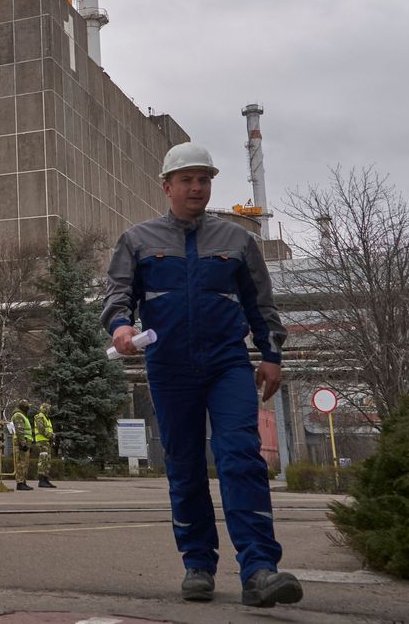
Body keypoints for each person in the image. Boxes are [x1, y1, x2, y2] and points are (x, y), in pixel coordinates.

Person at [101, 141, 303, 609]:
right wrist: (121, 328)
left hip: (227, 364)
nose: (196, 187)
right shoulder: (138, 240)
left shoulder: (237, 241)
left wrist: (270, 354)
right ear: (167, 186)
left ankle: (259, 569)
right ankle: (198, 563)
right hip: (169, 368)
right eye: (187, 180)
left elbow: (261, 305)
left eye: (204, 179)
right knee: (185, 465)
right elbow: (116, 297)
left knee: (240, 457)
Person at [10, 399, 35, 491]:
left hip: (25, 441)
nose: (29, 409)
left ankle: (23, 481)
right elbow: (20, 431)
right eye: (27, 407)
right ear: (24, 407)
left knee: (25, 463)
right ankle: (20, 482)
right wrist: (23, 444)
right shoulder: (18, 415)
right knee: (21, 463)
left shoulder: (22, 415)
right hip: (21, 441)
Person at [32, 403, 57, 488]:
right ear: (44, 409)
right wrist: (51, 436)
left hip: (47, 442)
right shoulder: (39, 417)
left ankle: (45, 479)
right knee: (43, 460)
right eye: (47, 408)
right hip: (42, 441)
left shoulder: (47, 418)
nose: (49, 410)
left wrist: (51, 437)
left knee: (47, 461)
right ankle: (41, 480)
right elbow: (41, 429)